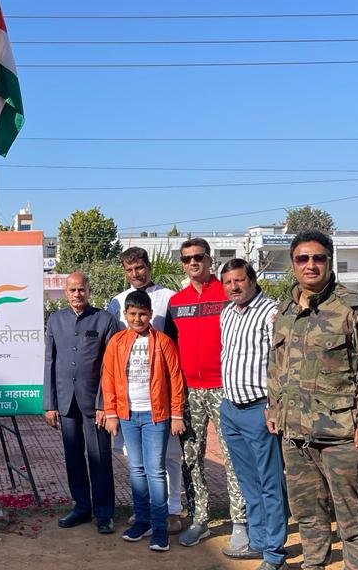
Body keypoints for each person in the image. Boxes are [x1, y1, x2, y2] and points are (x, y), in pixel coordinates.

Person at [267, 230, 358, 570]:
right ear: (293, 264)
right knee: (308, 514)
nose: (311, 265)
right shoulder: (286, 310)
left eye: (318, 258)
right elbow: (276, 364)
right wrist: (274, 407)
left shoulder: (351, 309)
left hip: (341, 435)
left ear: (329, 261)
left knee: (350, 515)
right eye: (302, 258)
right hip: (295, 434)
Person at [169, 238, 248, 551]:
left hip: (225, 388)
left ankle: (240, 522)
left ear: (209, 259)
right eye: (186, 258)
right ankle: (199, 519)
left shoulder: (226, 292)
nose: (193, 263)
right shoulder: (177, 302)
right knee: (192, 458)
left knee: (233, 456)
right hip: (190, 391)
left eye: (198, 257)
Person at [105, 246, 184, 535]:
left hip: (161, 396)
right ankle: (145, 512)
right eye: (129, 269)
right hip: (131, 399)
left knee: (169, 458)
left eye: (139, 267)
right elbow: (114, 351)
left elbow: (177, 342)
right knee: (137, 462)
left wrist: (176, 406)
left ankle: (172, 510)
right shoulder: (117, 302)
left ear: (148, 266)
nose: (135, 274)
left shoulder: (169, 297)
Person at [219, 259, 288, 569]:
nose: (234, 287)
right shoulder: (227, 314)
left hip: (259, 410)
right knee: (248, 482)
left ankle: (275, 554)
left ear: (252, 280)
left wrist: (274, 406)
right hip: (231, 409)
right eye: (228, 282)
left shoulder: (271, 312)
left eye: (239, 280)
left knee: (270, 484)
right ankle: (258, 541)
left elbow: (281, 363)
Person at [43, 271, 119, 534]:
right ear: (66, 292)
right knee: (73, 457)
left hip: (95, 403)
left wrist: (104, 404)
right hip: (66, 402)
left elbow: (111, 366)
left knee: (100, 457)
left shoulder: (104, 320)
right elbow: (50, 362)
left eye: (81, 289)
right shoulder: (55, 320)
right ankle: (81, 507)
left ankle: (104, 513)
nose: (77, 294)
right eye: (73, 290)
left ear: (89, 290)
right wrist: (50, 403)